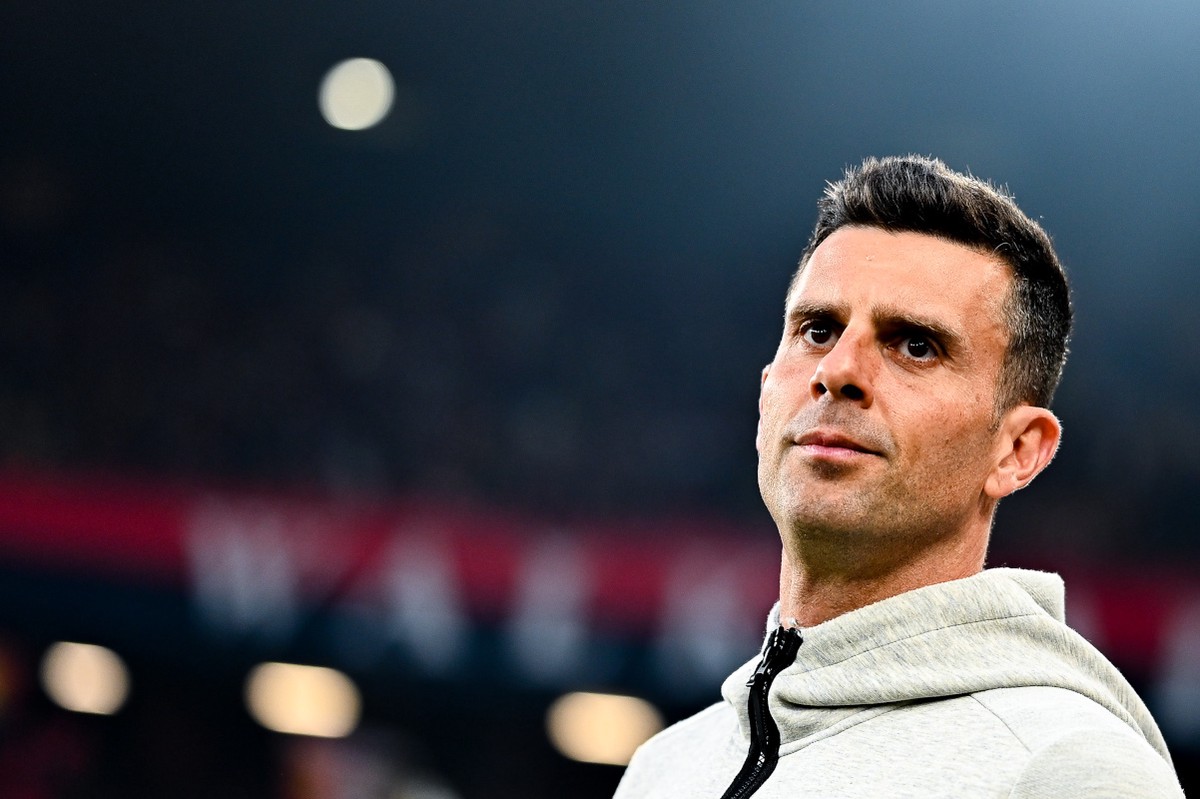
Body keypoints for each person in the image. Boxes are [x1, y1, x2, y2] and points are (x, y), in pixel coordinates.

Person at [614, 155, 1185, 798]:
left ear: (1017, 450)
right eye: (818, 329)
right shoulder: (662, 770)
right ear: (766, 388)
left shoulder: (1070, 767)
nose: (839, 370)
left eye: (915, 344)